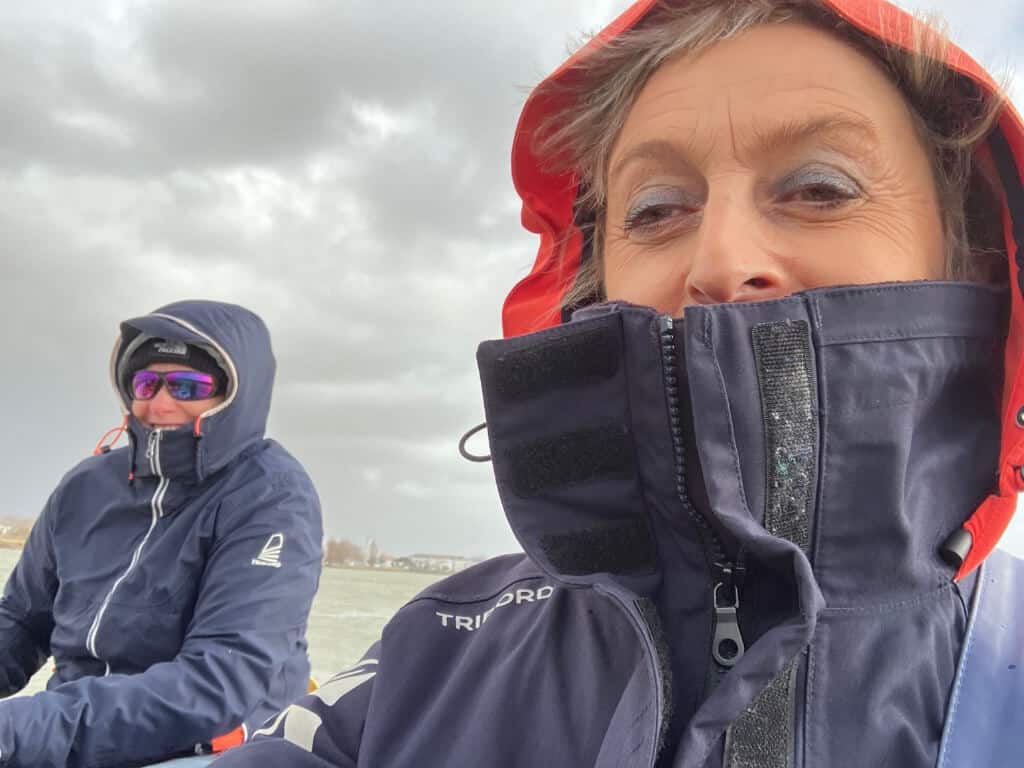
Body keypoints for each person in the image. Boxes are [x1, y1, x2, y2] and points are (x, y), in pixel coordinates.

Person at [216, 0, 1024, 765]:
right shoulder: (432, 656)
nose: (719, 262)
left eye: (821, 189)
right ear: (590, 287)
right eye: (658, 208)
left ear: (971, 260)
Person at [0, 300, 323, 767]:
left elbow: (218, 682)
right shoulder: (85, 487)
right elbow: (23, 620)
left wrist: (18, 727)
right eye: (146, 383)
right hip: (71, 729)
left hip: (203, 746)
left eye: (189, 385)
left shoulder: (272, 495)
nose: (160, 403)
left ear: (233, 394)